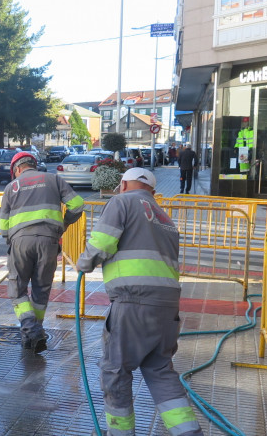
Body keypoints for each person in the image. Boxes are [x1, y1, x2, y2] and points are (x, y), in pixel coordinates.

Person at [76, 168, 203, 436]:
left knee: (116, 371)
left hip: (133, 302)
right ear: (153, 192)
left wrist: (84, 262)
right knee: (160, 370)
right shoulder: (165, 218)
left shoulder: (121, 201)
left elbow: (102, 243)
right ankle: (189, 432)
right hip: (167, 307)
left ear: (123, 184)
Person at [0, 152, 84, 352]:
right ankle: (33, 334)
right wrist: (63, 224)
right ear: (33, 165)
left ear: (16, 169)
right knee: (41, 289)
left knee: (18, 290)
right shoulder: (53, 179)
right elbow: (78, 205)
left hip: (21, 241)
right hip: (49, 241)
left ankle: (31, 330)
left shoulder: (12, 187)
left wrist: (10, 244)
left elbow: (4, 226)